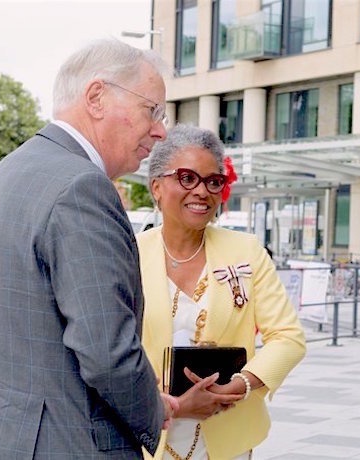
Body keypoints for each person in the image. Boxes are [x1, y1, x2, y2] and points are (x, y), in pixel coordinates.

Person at [0, 38, 178, 457]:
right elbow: (107, 353)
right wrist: (154, 409)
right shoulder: (81, 187)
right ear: (96, 97)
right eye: (151, 110)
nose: (160, 130)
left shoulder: (1, 175)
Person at [138, 124, 307, 459]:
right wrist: (172, 405)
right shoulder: (128, 253)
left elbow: (288, 337)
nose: (202, 191)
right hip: (149, 436)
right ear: (156, 187)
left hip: (229, 436)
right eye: (187, 178)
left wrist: (242, 385)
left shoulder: (246, 251)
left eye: (213, 181)